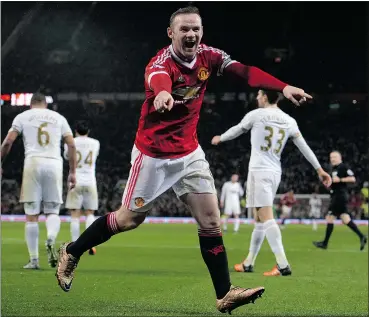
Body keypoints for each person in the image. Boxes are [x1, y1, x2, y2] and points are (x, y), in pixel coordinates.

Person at [55, 6, 313, 313]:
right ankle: (72, 251)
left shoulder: (209, 56)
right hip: (153, 155)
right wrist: (162, 94)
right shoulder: (160, 63)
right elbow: (158, 80)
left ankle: (225, 293)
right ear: (171, 33)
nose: (191, 34)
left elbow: (245, 72)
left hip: (190, 153)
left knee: (211, 221)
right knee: (129, 219)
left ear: (201, 32)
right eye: (184, 30)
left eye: (196, 29)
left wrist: (282, 86)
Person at [211, 89, 332, 276]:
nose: (257, 98)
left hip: (259, 170)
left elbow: (238, 129)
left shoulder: (257, 115)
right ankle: (249, 262)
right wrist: (319, 169)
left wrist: (221, 138)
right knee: (259, 219)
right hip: (275, 171)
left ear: (266, 97)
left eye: (259, 95)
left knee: (266, 216)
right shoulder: (289, 121)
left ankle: (282, 264)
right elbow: (304, 147)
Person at [1, 93, 76, 269]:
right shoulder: (59, 118)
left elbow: (8, 142)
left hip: (33, 162)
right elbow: (71, 144)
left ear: (31, 104)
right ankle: (50, 237)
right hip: (54, 164)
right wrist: (72, 172)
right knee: (52, 212)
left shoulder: (22, 116)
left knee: (31, 214)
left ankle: (34, 260)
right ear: (45, 104)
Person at [313, 151, 367, 250]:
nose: (332, 159)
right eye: (331, 157)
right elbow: (333, 183)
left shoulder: (343, 167)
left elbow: (352, 179)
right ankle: (362, 236)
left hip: (340, 196)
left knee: (330, 217)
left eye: (334, 157)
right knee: (345, 219)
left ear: (340, 158)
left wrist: (341, 180)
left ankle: (325, 243)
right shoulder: (333, 169)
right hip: (336, 195)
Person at [64, 120, 100, 255]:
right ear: (88, 131)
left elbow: (67, 156)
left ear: (75, 131)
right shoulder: (95, 143)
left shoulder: (70, 142)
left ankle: (75, 245)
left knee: (75, 213)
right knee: (90, 213)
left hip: (75, 180)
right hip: (90, 181)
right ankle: (90, 243)